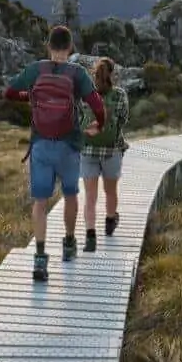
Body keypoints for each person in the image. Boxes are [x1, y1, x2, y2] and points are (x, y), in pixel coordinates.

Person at [3, 25, 106, 282]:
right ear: (70, 48)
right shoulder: (77, 73)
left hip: (40, 146)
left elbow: (9, 92)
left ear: (48, 46)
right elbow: (96, 103)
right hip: (69, 145)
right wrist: (99, 124)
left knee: (40, 202)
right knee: (71, 195)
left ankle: (39, 258)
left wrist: (30, 96)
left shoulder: (36, 69)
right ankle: (69, 243)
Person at [79, 57, 129, 252]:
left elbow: (79, 119)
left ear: (95, 74)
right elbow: (123, 119)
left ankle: (90, 237)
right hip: (112, 150)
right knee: (110, 191)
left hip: (88, 150)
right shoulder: (119, 95)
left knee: (90, 196)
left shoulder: (85, 95)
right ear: (112, 73)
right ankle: (110, 222)